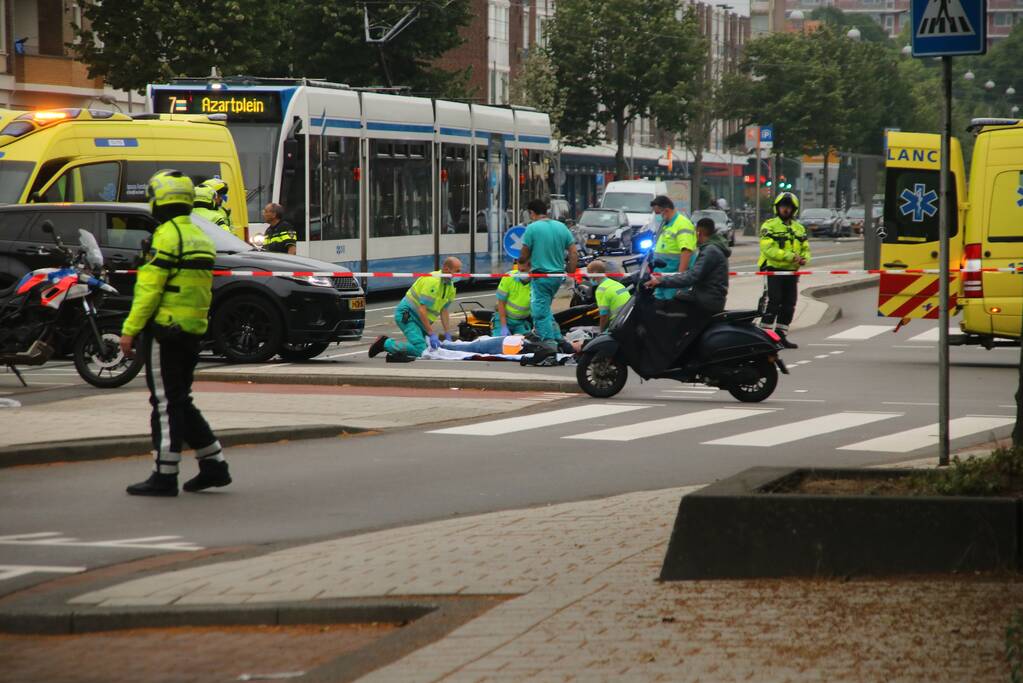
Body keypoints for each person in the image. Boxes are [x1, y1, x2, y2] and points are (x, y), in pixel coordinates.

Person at [120, 170, 229, 497]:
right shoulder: (200, 235)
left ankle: (164, 474)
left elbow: (149, 290)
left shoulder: (166, 236)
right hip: (192, 330)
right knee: (179, 399)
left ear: (160, 200)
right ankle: (214, 465)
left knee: (165, 402)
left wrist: (130, 330)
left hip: (165, 330)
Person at [368, 257, 462, 361]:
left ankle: (406, 344)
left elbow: (444, 310)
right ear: (446, 269)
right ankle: (385, 343)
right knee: (420, 350)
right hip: (408, 315)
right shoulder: (433, 281)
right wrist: (431, 333)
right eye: (457, 271)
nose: (460, 274)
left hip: (421, 321)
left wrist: (447, 333)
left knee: (432, 350)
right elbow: (422, 309)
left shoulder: (450, 286)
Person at [519, 198, 578, 355]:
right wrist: (570, 270)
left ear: (532, 213)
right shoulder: (561, 227)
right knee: (545, 309)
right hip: (557, 276)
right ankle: (559, 340)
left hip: (541, 276)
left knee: (538, 312)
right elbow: (573, 252)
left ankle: (548, 345)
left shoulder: (532, 228)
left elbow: (524, 254)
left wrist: (522, 262)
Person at [647, 217, 731, 314]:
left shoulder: (710, 250)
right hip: (709, 297)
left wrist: (660, 281)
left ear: (699, 232)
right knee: (676, 300)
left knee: (670, 307)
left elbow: (692, 276)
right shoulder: (712, 248)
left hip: (707, 300)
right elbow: (693, 274)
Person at [758, 192, 810, 349]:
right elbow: (768, 249)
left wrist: (804, 258)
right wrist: (790, 257)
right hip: (774, 270)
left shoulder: (799, 228)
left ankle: (781, 336)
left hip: (791, 272)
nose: (785, 209)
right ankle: (764, 337)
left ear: (794, 209)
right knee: (774, 302)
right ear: (777, 208)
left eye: (789, 207)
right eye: (783, 206)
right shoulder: (769, 226)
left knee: (789, 304)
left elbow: (806, 248)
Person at [649, 195, 697, 301]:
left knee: (671, 309)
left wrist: (680, 278)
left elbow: (686, 252)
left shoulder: (682, 224)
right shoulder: (668, 224)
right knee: (659, 309)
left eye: (658, 213)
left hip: (673, 280)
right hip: (662, 277)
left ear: (666, 211)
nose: (657, 216)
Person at [587, 260, 632, 331]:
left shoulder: (601, 289)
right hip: (627, 318)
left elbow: (604, 315)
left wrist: (601, 332)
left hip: (617, 323)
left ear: (594, 273)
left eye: (589, 273)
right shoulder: (616, 283)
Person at [494, 259, 532, 336]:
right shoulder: (509, 277)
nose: (520, 273)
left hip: (521, 322)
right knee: (500, 343)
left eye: (523, 270)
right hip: (504, 319)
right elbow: (501, 304)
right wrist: (504, 326)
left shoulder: (536, 283)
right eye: (519, 270)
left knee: (524, 345)